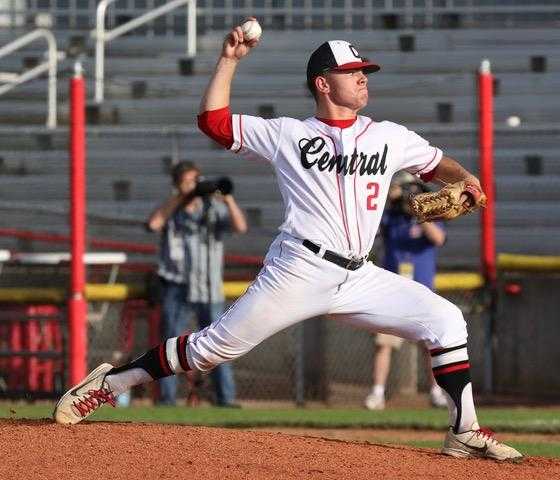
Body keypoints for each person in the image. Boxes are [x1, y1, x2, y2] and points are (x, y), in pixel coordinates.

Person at [54, 22, 522, 461]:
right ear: (323, 83)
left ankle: (463, 430)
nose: (363, 79)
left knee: (444, 319)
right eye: (352, 72)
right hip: (299, 268)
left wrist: (469, 180)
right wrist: (229, 60)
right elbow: (213, 122)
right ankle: (111, 382)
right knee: (209, 351)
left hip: (359, 274)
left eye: (364, 73)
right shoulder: (288, 134)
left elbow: (439, 164)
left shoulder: (389, 137)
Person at [147, 160, 248, 406]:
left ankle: (225, 398)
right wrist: (181, 197)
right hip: (177, 284)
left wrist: (228, 198)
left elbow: (240, 227)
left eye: (196, 180)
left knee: (218, 343)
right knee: (169, 343)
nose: (193, 186)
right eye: (187, 181)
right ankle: (167, 400)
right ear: (177, 184)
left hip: (209, 285)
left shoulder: (212, 208)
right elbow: (154, 224)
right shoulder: (173, 208)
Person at [364, 171, 448, 410]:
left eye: (410, 190)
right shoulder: (391, 216)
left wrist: (419, 211)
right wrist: (388, 199)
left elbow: (438, 238)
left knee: (431, 346)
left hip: (422, 292)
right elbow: (372, 232)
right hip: (392, 294)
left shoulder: (428, 216)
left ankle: (436, 392)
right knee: (384, 344)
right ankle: (377, 393)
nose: (407, 195)